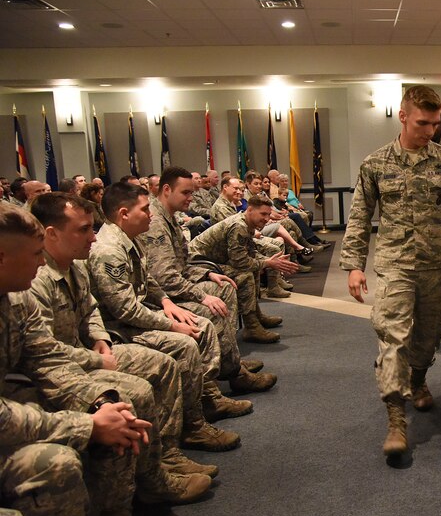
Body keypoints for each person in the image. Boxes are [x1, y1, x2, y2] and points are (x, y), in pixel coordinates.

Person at [0, 202, 185, 516]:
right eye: (35, 254)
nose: (40, 263)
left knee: (118, 408)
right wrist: (86, 425)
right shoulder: (30, 287)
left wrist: (100, 403)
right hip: (10, 410)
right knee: (56, 463)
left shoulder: (14, 297)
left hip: (17, 401)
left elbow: (47, 359)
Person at [28, 193, 217, 498]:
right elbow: (44, 350)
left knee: (164, 365)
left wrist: (99, 339)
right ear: (52, 233)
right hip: (66, 367)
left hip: (90, 350)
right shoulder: (35, 279)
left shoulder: (73, 264)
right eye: (84, 229)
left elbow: (89, 310)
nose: (93, 236)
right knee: (136, 391)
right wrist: (97, 358)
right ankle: (149, 484)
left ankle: (167, 454)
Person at [340, 85, 441, 457]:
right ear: (402, 116)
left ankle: (418, 381)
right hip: (395, 265)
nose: (430, 131)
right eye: (423, 122)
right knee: (393, 338)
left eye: (436, 124)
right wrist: (355, 265)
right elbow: (359, 217)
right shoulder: (375, 163)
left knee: (428, 336)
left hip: (438, 264)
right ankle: (395, 419)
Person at [87, 182, 243, 450]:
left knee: (199, 323)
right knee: (184, 341)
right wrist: (172, 324)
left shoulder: (128, 238)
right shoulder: (109, 250)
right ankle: (189, 429)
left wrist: (166, 301)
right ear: (124, 213)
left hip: (137, 315)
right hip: (120, 329)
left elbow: (147, 278)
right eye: (145, 209)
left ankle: (206, 400)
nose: (150, 214)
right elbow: (125, 310)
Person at [141, 166, 276, 391]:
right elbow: (165, 277)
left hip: (178, 282)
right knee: (214, 301)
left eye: (191, 193)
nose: (191, 198)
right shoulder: (156, 222)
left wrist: (207, 273)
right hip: (160, 296)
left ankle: (230, 359)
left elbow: (183, 264)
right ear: (166, 189)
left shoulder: (169, 218)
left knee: (224, 286)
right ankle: (225, 376)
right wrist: (201, 296)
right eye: (186, 193)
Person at [189, 194, 299, 343]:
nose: (267, 219)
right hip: (200, 263)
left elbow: (250, 253)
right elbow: (240, 262)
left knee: (252, 269)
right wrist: (268, 263)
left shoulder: (248, 224)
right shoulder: (239, 226)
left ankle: (255, 314)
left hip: (215, 261)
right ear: (250, 210)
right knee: (244, 275)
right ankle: (251, 327)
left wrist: (270, 261)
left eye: (268, 214)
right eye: (263, 214)